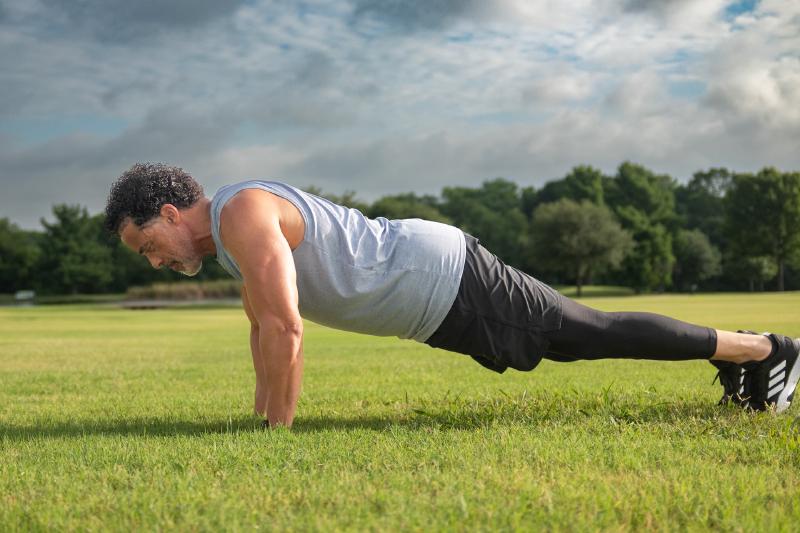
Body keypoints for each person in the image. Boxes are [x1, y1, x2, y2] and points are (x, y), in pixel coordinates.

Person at [105, 163, 800, 427]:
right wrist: (256, 417)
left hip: (440, 278)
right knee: (572, 340)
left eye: (147, 245)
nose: (155, 261)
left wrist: (274, 437)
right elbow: (260, 332)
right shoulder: (232, 236)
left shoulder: (241, 212)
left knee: (589, 332)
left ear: (167, 214)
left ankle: (764, 350)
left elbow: (287, 330)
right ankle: (749, 355)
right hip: (432, 295)